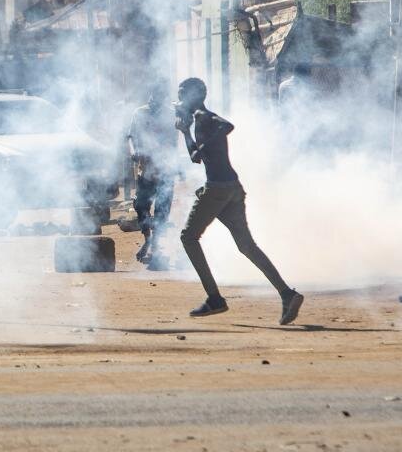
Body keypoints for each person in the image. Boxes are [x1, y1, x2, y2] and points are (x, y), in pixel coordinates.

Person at [175, 78, 303, 325]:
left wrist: (190, 134)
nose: (180, 100)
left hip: (218, 190)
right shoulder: (199, 119)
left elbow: (226, 126)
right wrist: (187, 133)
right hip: (231, 188)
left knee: (188, 237)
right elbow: (196, 156)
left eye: (182, 95)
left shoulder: (203, 116)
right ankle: (287, 294)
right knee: (246, 246)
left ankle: (215, 298)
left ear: (193, 96)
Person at [126, 87, 176, 270]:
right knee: (141, 207)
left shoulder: (171, 114)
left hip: (165, 170)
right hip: (145, 169)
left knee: (162, 210)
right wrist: (133, 152)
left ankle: (156, 247)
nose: (155, 99)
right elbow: (130, 137)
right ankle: (148, 240)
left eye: (160, 96)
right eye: (154, 95)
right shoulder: (139, 113)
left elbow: (172, 142)